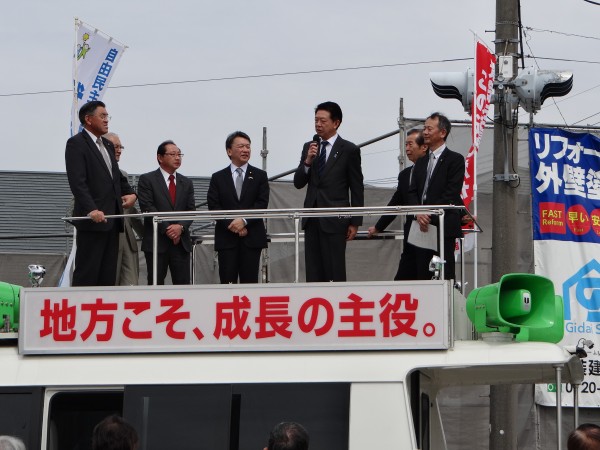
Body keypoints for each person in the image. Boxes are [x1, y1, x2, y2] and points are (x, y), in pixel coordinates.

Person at [65, 101, 137, 286]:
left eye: (107, 116)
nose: (107, 120)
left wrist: (131, 194)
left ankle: (101, 313)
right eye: (103, 116)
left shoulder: (107, 144)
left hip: (113, 221)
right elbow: (77, 182)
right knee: (88, 273)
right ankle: (80, 312)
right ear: (88, 119)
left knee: (108, 276)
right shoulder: (76, 144)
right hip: (92, 221)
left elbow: (117, 178)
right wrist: (91, 209)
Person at [293, 101, 364, 282]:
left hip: (336, 219)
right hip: (312, 219)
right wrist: (308, 160)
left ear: (336, 123)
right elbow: (298, 182)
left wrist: (355, 222)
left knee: (335, 270)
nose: (318, 124)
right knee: (313, 272)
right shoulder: (309, 147)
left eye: (323, 121)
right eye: (316, 120)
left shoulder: (349, 150)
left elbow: (356, 187)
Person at [406, 112, 465, 280]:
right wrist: (418, 212)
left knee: (444, 274)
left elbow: (451, 193)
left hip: (442, 224)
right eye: (424, 128)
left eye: (429, 128)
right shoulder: (421, 162)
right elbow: (412, 192)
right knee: (422, 273)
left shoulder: (455, 160)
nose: (425, 132)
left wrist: (429, 214)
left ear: (442, 133)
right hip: (421, 226)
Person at [207, 131, 269, 283]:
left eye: (248, 146)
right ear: (229, 151)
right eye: (241, 146)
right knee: (227, 284)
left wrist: (244, 221)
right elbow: (214, 206)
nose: (245, 150)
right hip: (227, 238)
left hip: (252, 237)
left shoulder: (260, 175)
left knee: (250, 283)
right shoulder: (218, 177)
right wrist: (232, 224)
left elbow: (262, 203)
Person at [367, 129, 428, 280]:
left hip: (430, 229)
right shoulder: (405, 175)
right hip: (411, 233)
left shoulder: (433, 170)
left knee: (426, 276)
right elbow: (395, 203)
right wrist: (378, 227)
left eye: (410, 144)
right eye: (405, 144)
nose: (407, 148)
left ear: (424, 147)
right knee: (403, 278)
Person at [137, 140, 196, 285]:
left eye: (179, 154)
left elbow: (191, 210)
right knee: (156, 283)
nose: (177, 158)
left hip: (181, 242)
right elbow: (147, 207)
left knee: (182, 284)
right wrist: (169, 229)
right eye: (173, 154)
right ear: (160, 157)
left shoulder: (186, 182)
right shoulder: (147, 180)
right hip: (157, 241)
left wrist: (180, 228)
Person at [104, 132, 144, 286]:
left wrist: (147, 235)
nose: (119, 150)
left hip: (127, 238)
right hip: (107, 236)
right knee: (108, 283)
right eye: (116, 147)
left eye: (121, 147)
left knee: (131, 284)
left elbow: (131, 210)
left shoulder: (123, 174)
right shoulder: (93, 172)